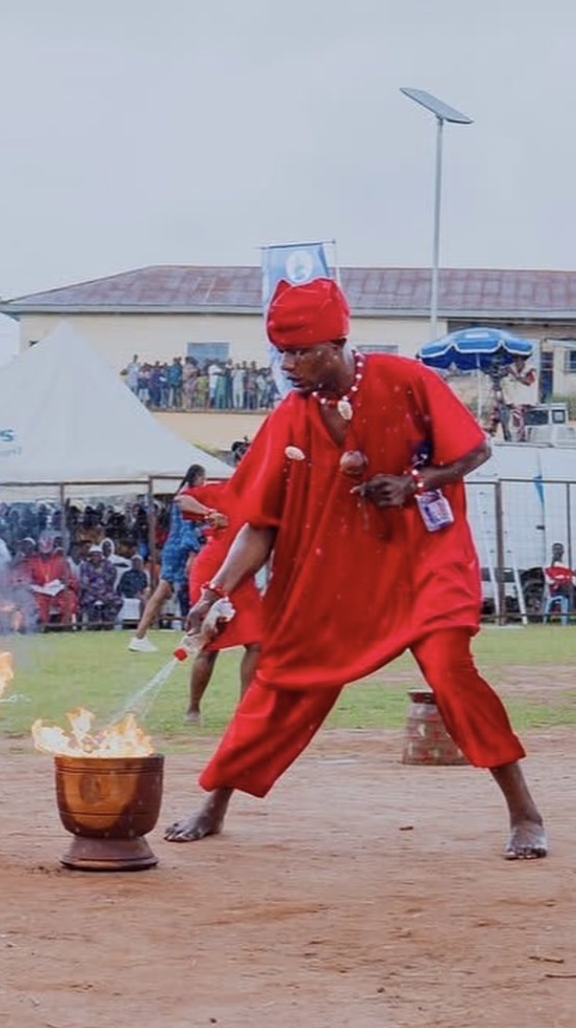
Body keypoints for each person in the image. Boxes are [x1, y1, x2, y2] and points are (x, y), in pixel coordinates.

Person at [164, 276, 546, 861]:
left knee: (449, 670)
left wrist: (417, 482)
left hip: (424, 559)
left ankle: (524, 812)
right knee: (279, 680)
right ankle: (215, 802)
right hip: (335, 577)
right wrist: (215, 590)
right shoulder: (289, 419)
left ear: (339, 343)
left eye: (301, 352)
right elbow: (262, 524)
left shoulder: (408, 381)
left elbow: (475, 450)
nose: (288, 365)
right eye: (282, 353)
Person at [175, 479, 262, 724]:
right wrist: (209, 513)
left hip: (244, 574)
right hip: (213, 570)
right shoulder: (223, 488)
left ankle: (245, 708)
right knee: (209, 645)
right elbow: (182, 499)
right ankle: (193, 708)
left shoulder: (266, 493)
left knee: (257, 642)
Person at [127, 464, 207, 653]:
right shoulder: (187, 498)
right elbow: (187, 532)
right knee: (166, 592)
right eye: (203, 478)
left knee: (165, 592)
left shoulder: (180, 497)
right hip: (179, 551)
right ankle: (140, 635)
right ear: (196, 477)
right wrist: (193, 552)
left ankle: (142, 635)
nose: (204, 482)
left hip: (174, 549)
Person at [78, 544, 120, 629]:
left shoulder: (108, 565)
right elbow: (84, 583)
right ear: (90, 556)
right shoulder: (85, 566)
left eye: (98, 555)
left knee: (118, 602)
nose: (96, 557)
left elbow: (111, 580)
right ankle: (93, 623)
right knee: (86, 603)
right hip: (91, 592)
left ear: (101, 555)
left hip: (105, 591)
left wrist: (102, 594)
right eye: (93, 555)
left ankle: (108, 621)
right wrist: (98, 596)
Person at [542, 542, 574, 626]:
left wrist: (567, 579)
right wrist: (561, 580)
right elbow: (549, 580)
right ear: (552, 551)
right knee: (569, 590)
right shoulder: (548, 565)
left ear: (563, 551)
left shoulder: (566, 565)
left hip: (567, 586)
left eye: (560, 549)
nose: (558, 551)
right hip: (555, 589)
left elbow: (572, 577)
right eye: (556, 549)